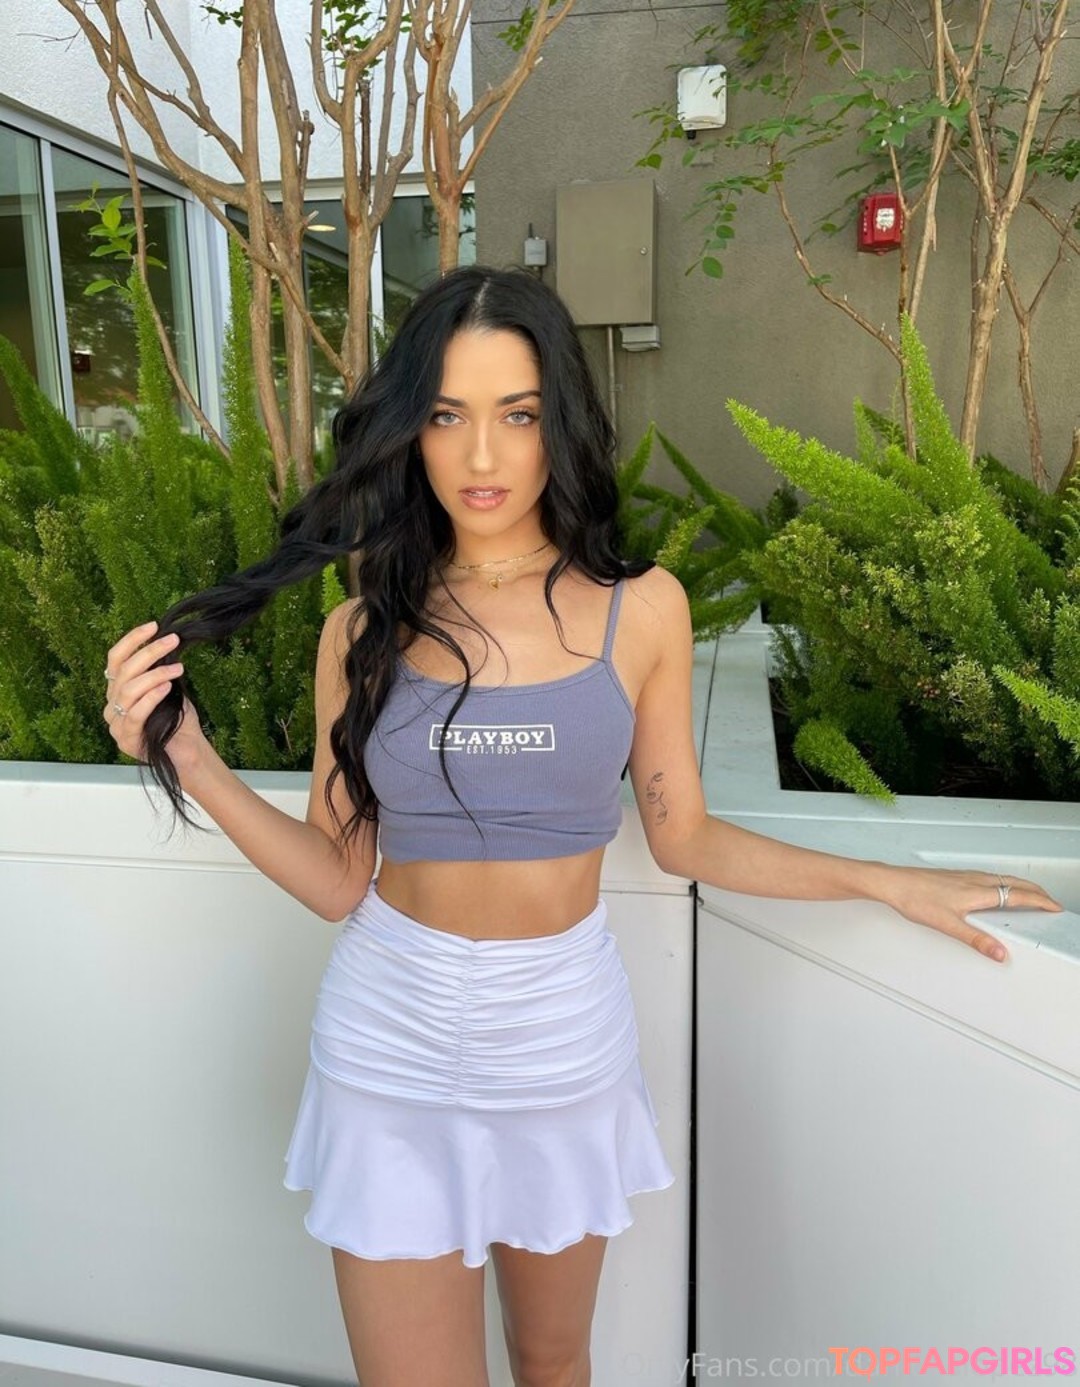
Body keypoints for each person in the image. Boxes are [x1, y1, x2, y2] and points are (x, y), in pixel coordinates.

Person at [102, 265, 1061, 1387]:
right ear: (410, 431)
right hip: (388, 1038)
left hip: (560, 1036)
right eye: (448, 416)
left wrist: (890, 879)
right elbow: (336, 879)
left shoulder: (638, 609)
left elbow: (686, 835)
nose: (482, 455)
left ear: (557, 420)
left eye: (516, 415)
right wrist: (189, 756)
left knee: (555, 1364)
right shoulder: (362, 629)